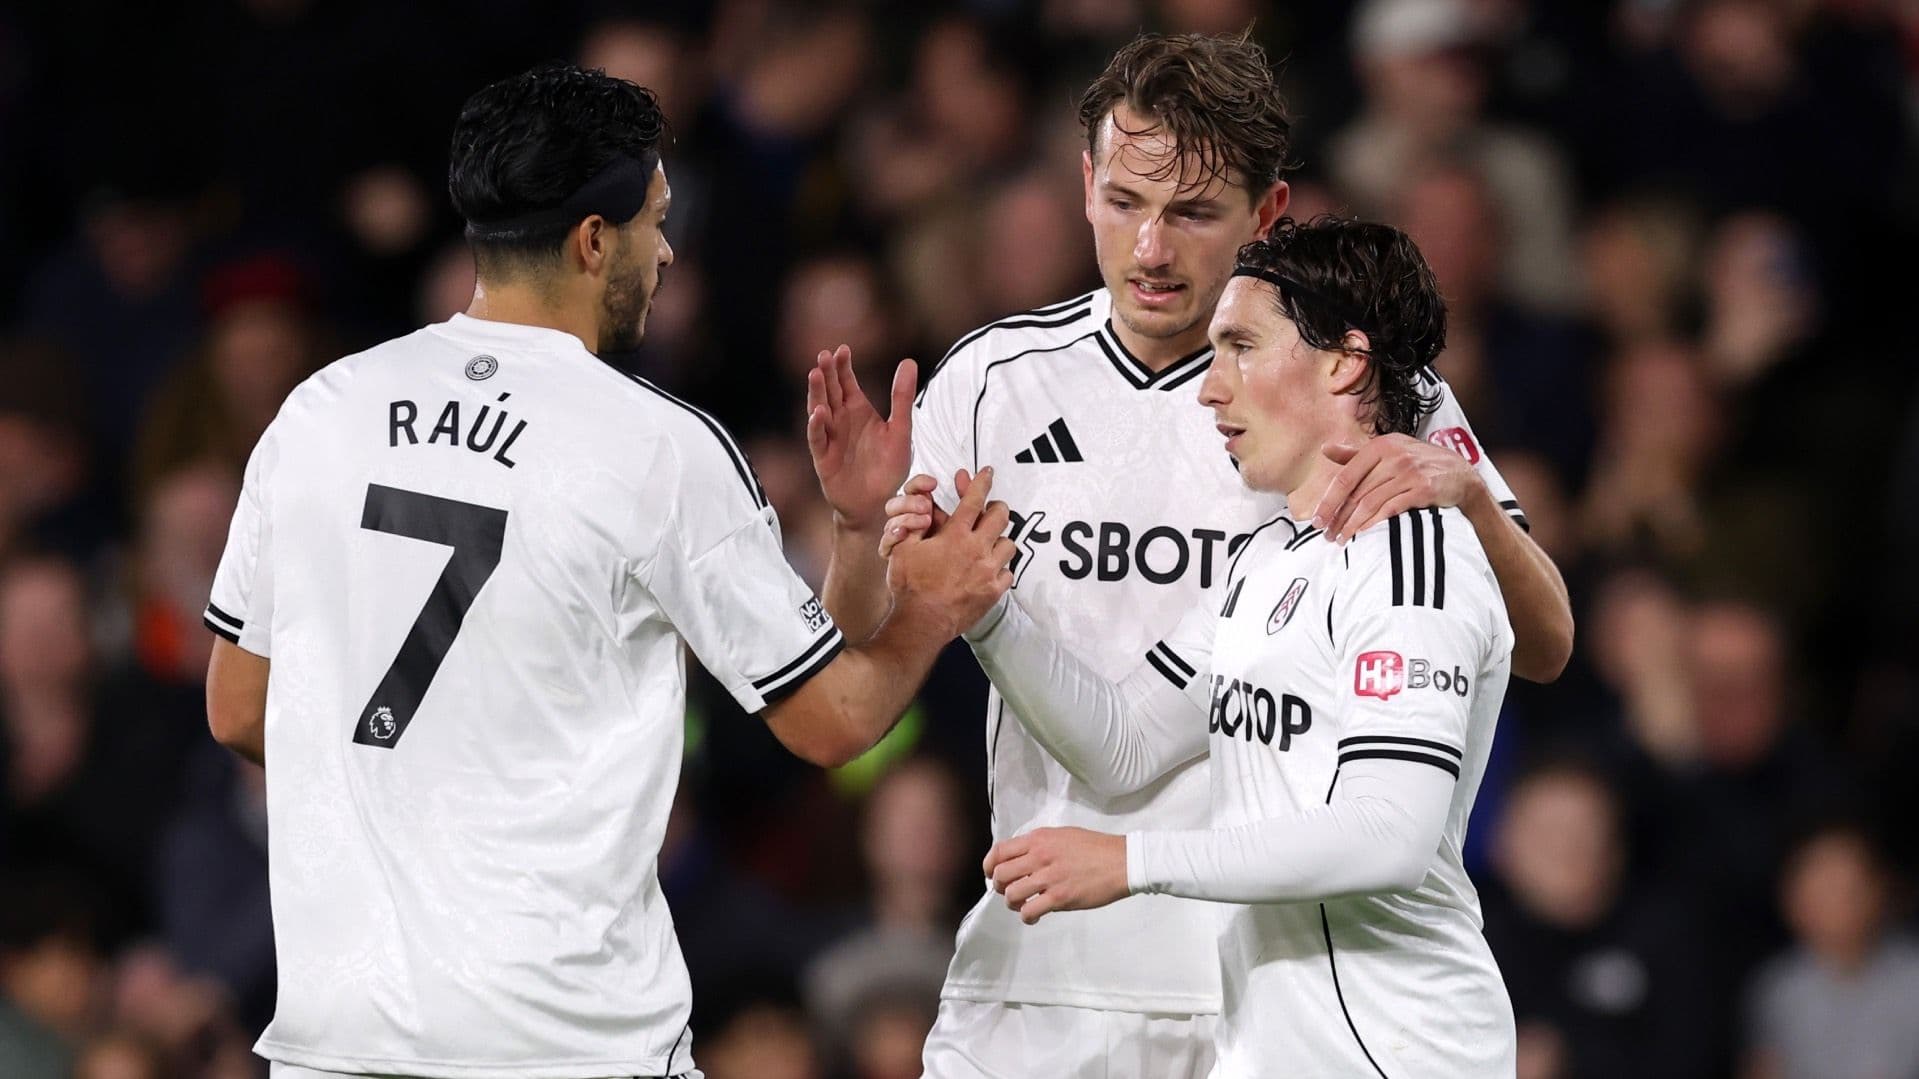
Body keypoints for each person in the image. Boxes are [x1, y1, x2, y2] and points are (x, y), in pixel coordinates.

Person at [200, 62, 1013, 1079]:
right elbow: (835, 721)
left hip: (339, 1043)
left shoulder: (318, 412)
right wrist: (931, 603)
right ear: (594, 240)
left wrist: (852, 532)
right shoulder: (652, 447)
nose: (666, 252)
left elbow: (239, 708)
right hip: (566, 1041)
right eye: (655, 222)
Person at [804, 31, 1572, 1077]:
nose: (1149, 249)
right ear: (1083, 184)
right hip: (1036, 967)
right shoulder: (992, 381)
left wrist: (1474, 503)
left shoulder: (1362, 396)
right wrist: (857, 531)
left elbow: (1544, 640)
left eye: (1192, 212)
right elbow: (861, 664)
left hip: (1251, 994)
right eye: (1123, 202)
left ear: (1266, 214)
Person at [934, 218, 1520, 1074]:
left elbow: (1389, 834)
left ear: (1344, 361)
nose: (1210, 389)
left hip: (1401, 1049)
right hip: (1271, 1048)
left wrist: (1132, 861)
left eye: (1240, 346)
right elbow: (1124, 744)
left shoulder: (1409, 558)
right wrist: (986, 612)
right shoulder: (1267, 559)